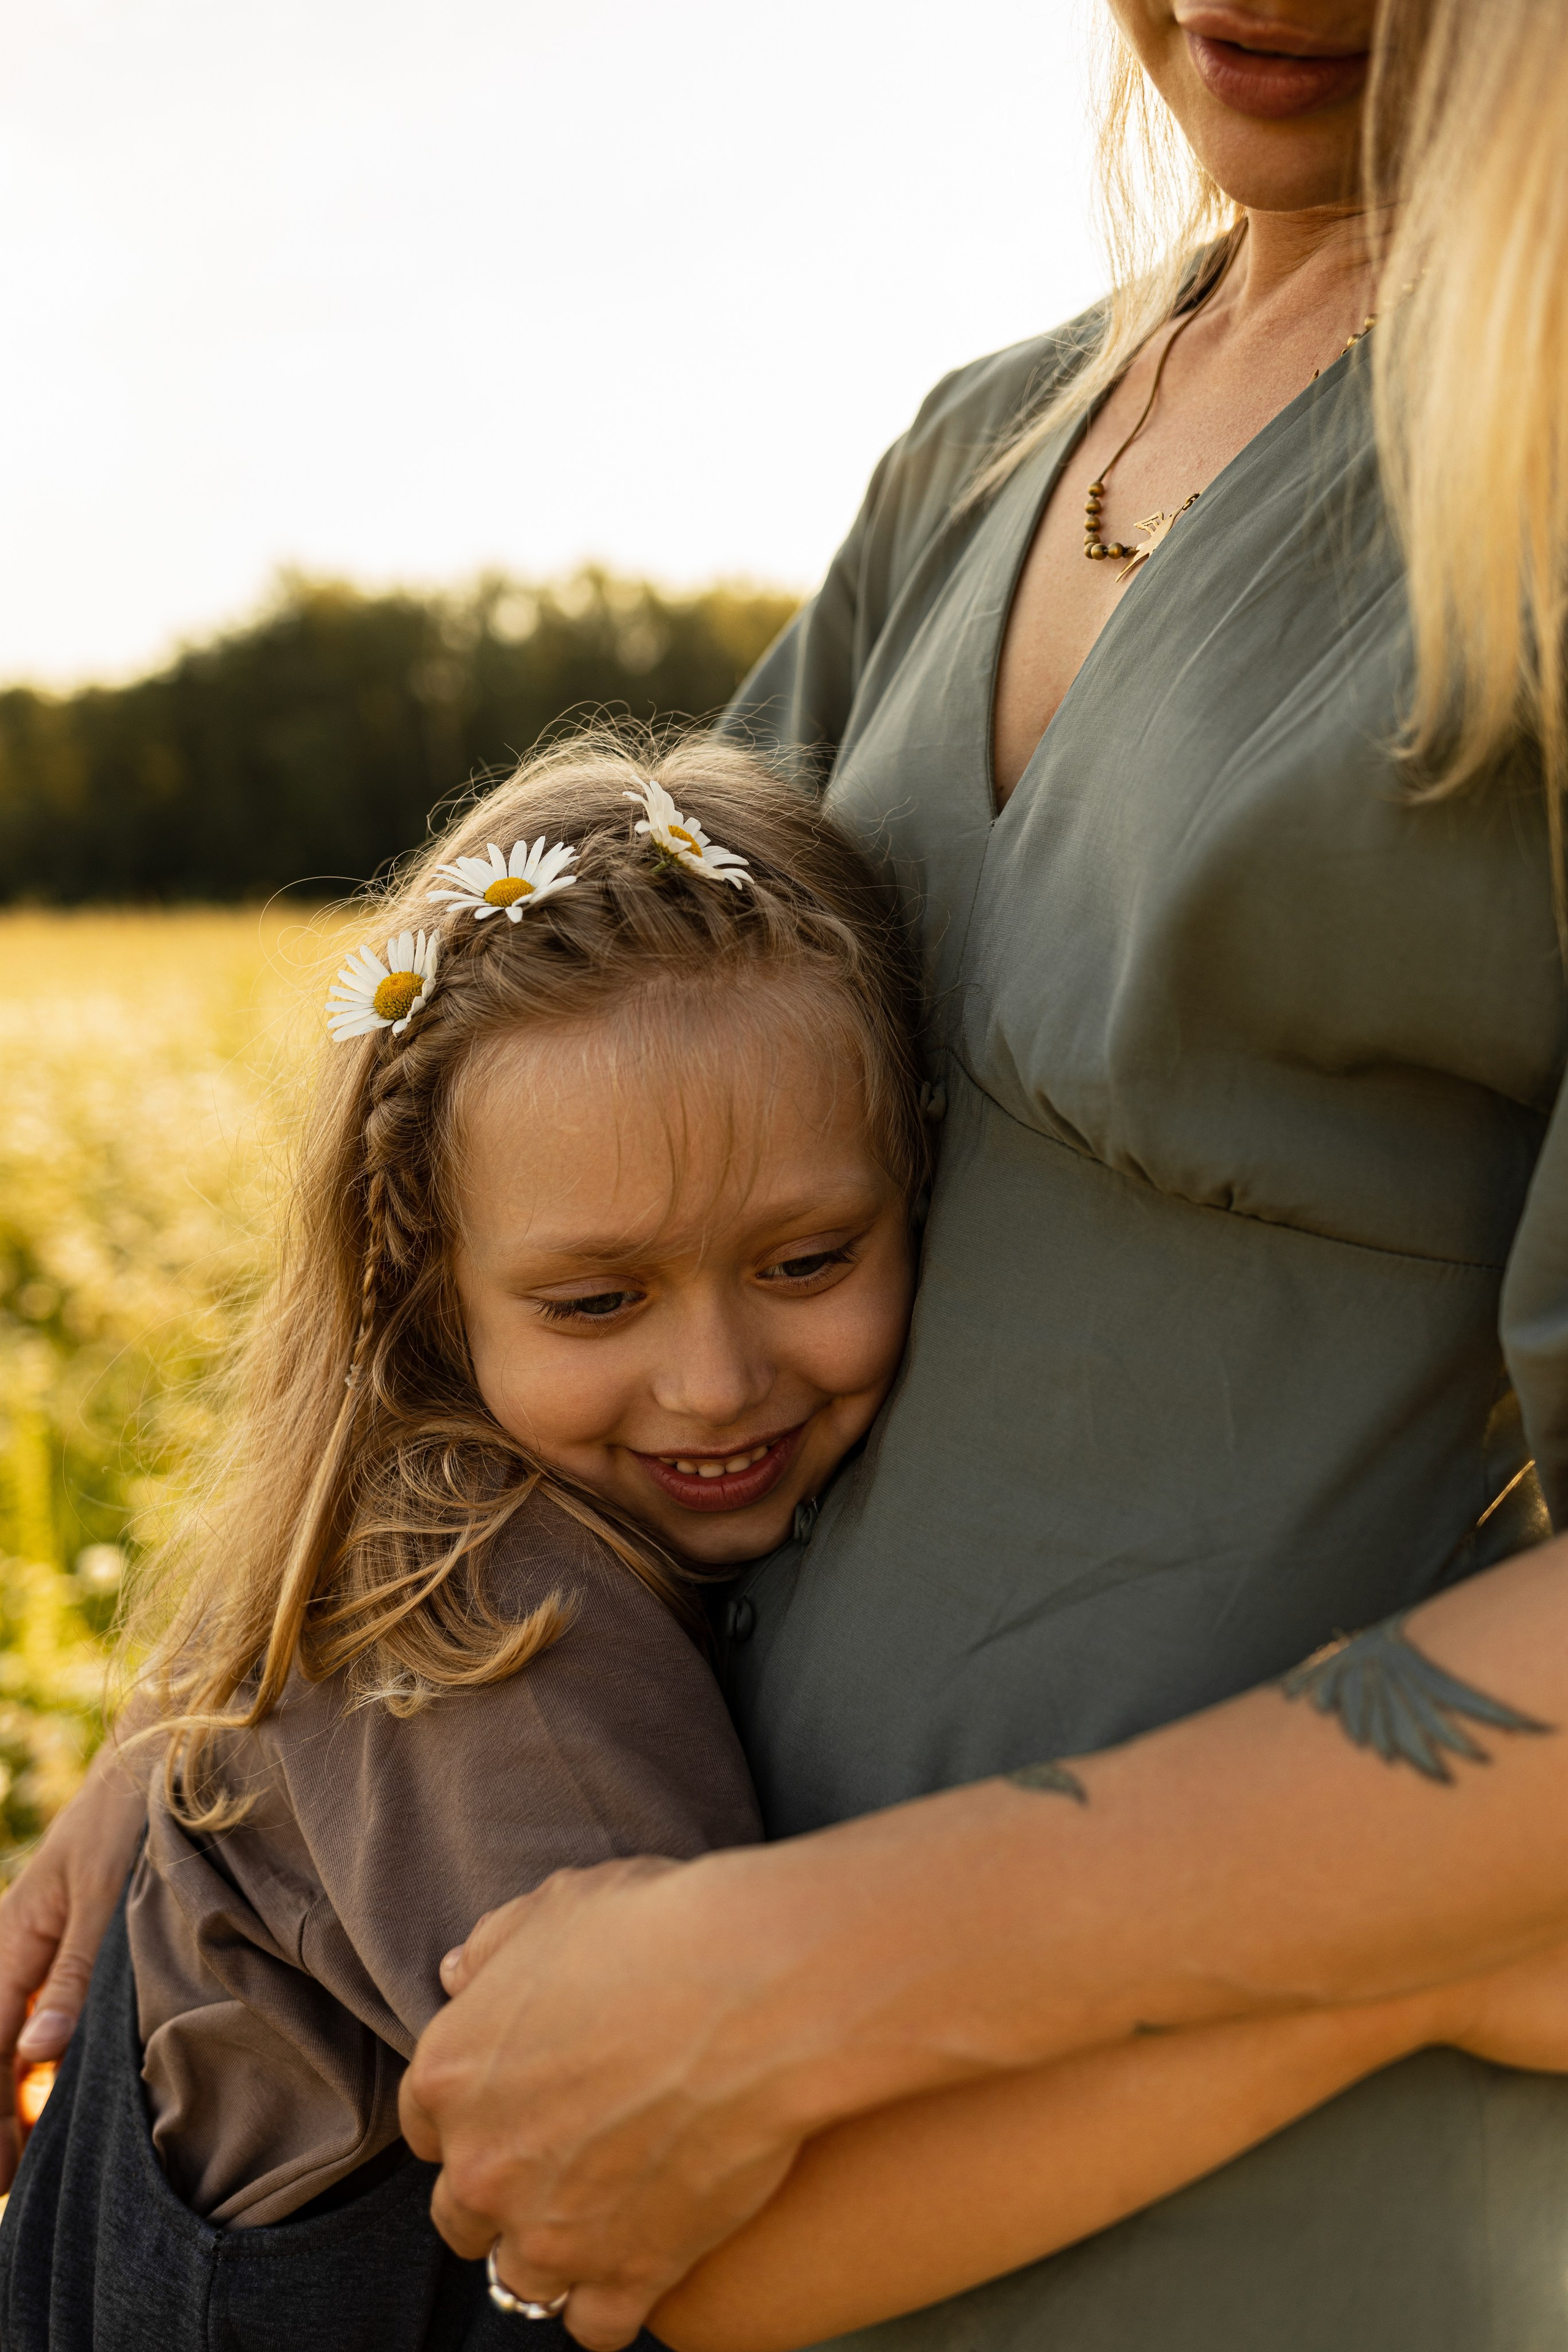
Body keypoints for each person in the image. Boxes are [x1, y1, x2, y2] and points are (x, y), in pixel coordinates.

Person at [7, 0, 1568, 2342]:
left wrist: (834, 1976)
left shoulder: (1531, 462)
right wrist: (227, 1707)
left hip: (1189, 2223)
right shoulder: (994, 443)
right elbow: (532, 1122)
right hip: (671, 2088)